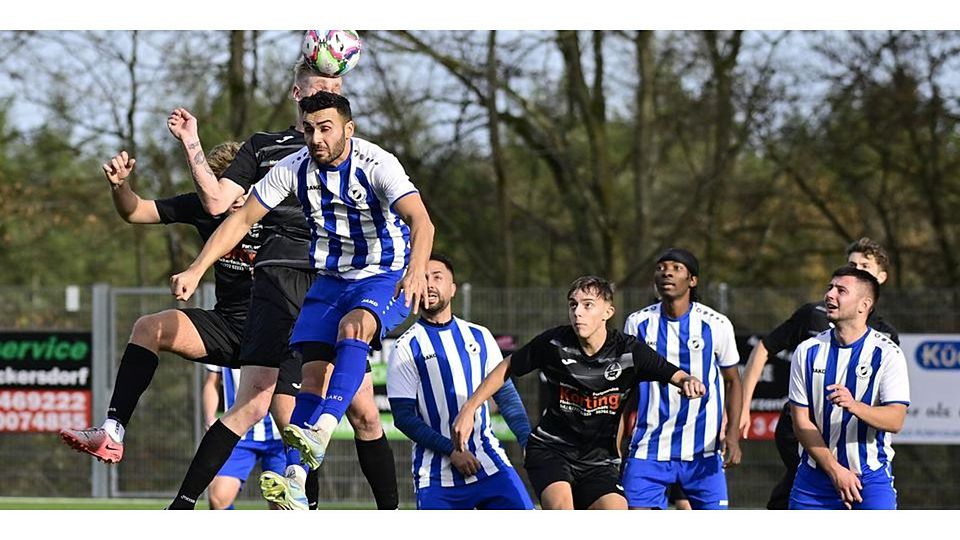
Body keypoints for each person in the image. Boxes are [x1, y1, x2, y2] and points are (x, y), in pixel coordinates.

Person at [166, 90, 434, 510]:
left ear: (349, 129)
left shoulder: (377, 163)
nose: (315, 138)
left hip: (385, 275)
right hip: (329, 278)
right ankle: (295, 477)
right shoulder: (293, 168)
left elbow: (421, 220)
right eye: (308, 129)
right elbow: (239, 219)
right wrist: (197, 268)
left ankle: (324, 430)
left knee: (353, 329)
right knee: (313, 381)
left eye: (325, 128)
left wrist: (416, 269)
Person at [58, 143, 268, 464]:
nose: (234, 196)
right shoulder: (205, 205)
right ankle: (112, 432)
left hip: (280, 333)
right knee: (148, 328)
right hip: (229, 327)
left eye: (240, 186)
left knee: (309, 424)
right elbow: (135, 211)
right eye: (221, 186)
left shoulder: (280, 205)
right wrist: (120, 186)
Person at [452, 276, 706, 510]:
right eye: (573, 305)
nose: (578, 312)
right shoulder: (554, 343)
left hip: (599, 461)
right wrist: (469, 408)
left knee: (616, 513)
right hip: (551, 450)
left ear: (608, 312)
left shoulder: (630, 352)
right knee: (563, 511)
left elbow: (675, 374)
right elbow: (507, 367)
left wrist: (688, 382)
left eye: (587, 305)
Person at [739, 237, 900, 509]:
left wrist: (856, 409)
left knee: (849, 490)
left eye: (865, 266)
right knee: (812, 477)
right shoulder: (814, 317)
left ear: (879, 279)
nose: (856, 269)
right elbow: (763, 349)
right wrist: (743, 407)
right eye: (852, 264)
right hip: (800, 430)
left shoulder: (887, 340)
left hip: (850, 441)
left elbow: (892, 412)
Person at [387, 254, 533, 510]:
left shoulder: (480, 335)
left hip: (489, 463)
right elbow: (403, 417)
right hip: (435, 476)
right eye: (423, 277)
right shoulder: (406, 346)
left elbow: (506, 395)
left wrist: (526, 441)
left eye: (437, 277)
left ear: (452, 289)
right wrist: (451, 451)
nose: (430, 284)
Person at [621, 248, 743, 510]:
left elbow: (733, 381)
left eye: (676, 268)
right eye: (661, 267)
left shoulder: (716, 324)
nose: (666, 272)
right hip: (648, 449)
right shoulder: (638, 323)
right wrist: (617, 435)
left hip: (703, 453)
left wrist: (732, 435)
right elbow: (627, 386)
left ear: (692, 280)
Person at [787, 266, 909, 510]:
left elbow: (895, 420)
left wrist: (855, 406)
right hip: (815, 478)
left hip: (870, 479)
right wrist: (835, 471)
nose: (830, 295)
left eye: (841, 290)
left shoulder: (887, 354)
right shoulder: (807, 351)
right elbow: (801, 422)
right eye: (830, 288)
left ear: (864, 305)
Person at [203, 364, 285, 510]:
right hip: (238, 434)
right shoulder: (222, 342)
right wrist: (210, 417)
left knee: (282, 503)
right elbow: (212, 381)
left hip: (280, 435)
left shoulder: (284, 342)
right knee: (218, 498)